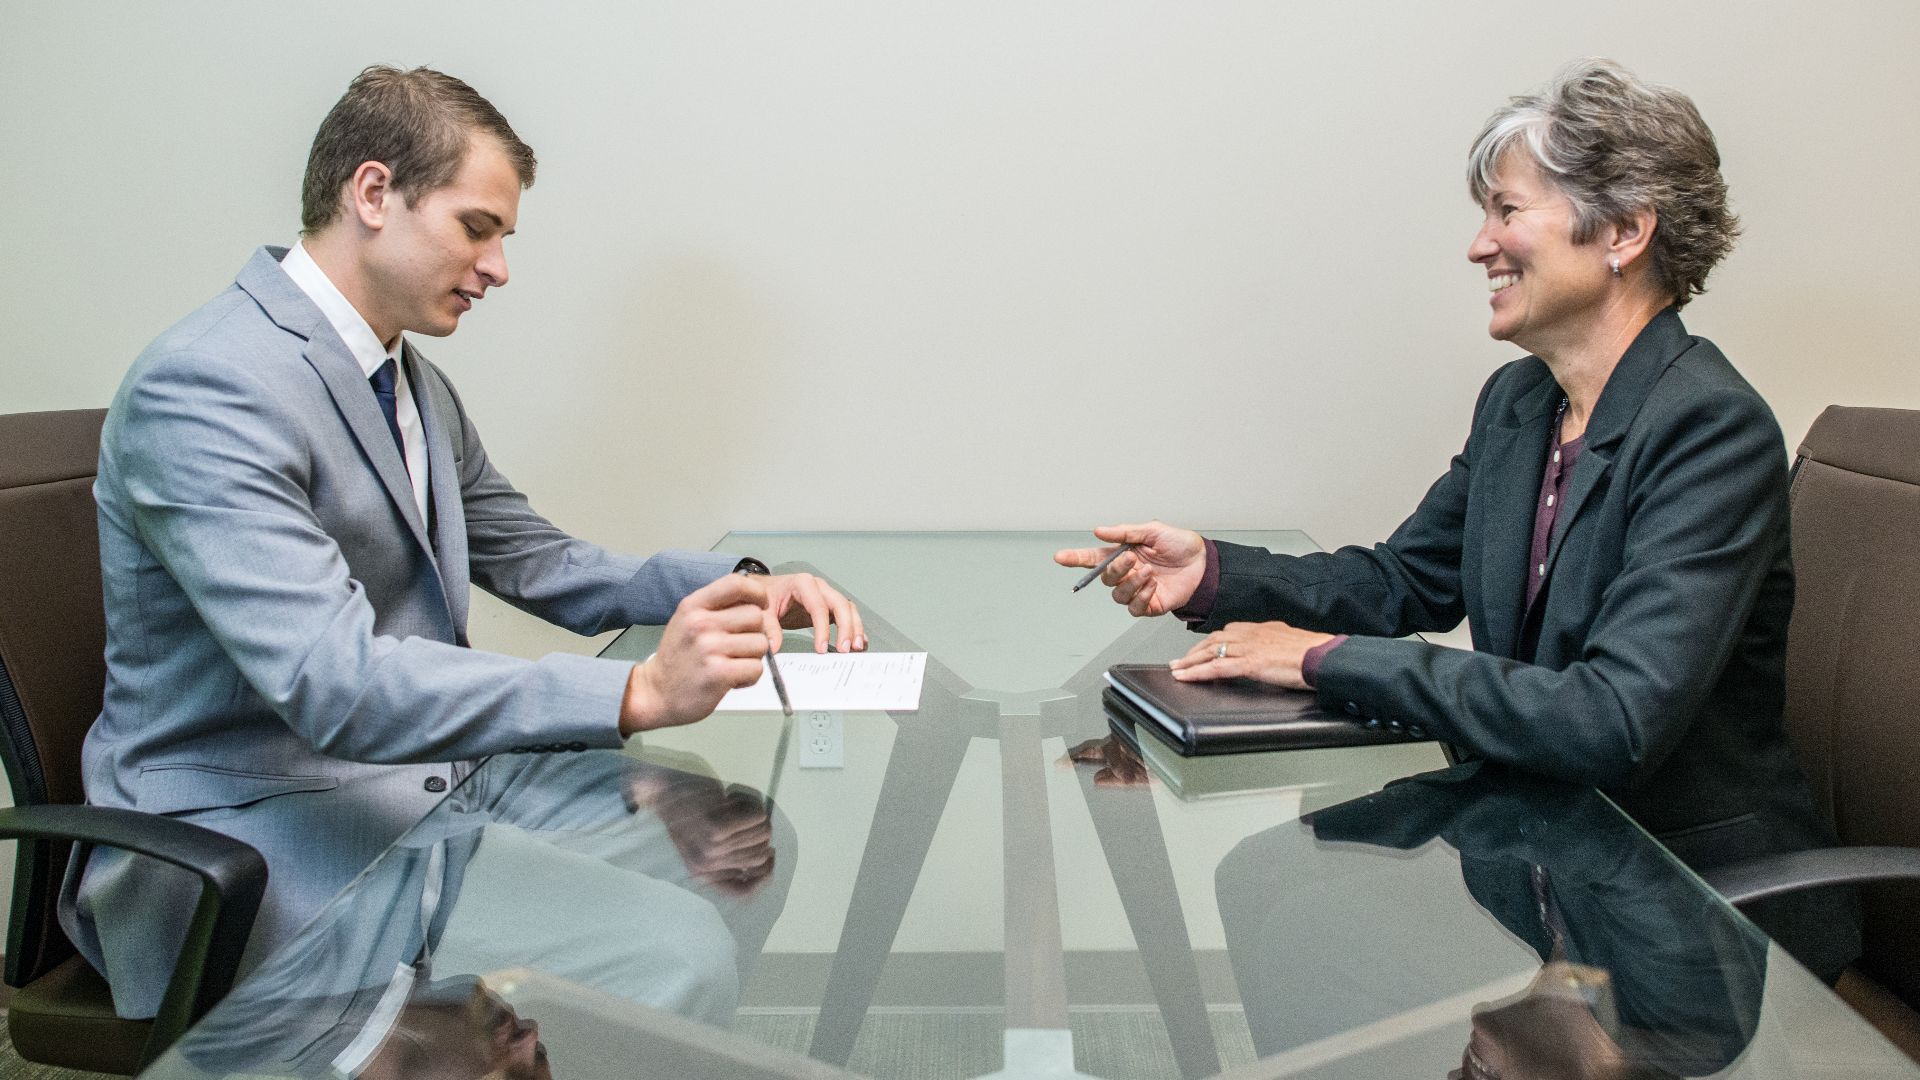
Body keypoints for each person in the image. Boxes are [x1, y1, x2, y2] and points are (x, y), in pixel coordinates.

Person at [66, 64, 863, 1020]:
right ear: (373, 193)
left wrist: (737, 584)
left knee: (741, 839)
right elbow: (339, 684)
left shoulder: (411, 383)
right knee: (674, 948)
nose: (498, 267)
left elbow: (541, 561)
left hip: (420, 783)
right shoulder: (207, 388)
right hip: (256, 834)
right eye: (476, 228)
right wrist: (637, 689)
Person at [1056, 59, 1856, 979]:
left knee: (1307, 917)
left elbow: (1613, 719)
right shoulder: (1523, 404)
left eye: (1508, 212)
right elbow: (1405, 581)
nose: (1481, 245)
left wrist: (1320, 657)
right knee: (1272, 878)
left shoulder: (1713, 428)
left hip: (1687, 891)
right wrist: (1215, 575)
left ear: (1626, 232)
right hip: (1547, 834)